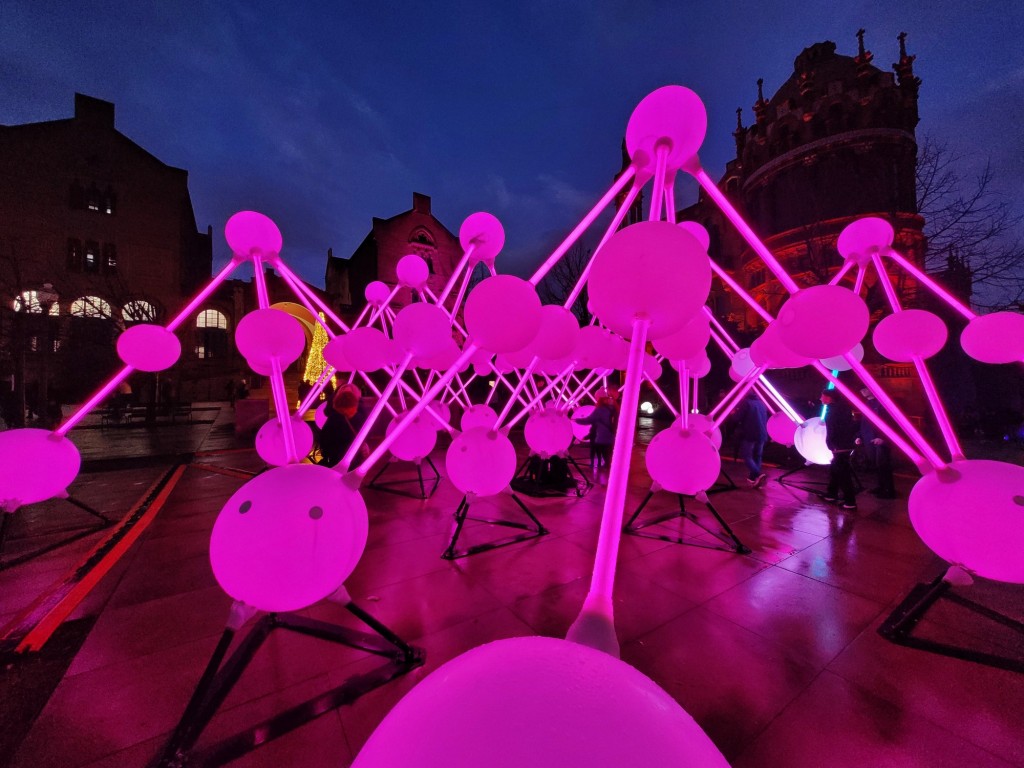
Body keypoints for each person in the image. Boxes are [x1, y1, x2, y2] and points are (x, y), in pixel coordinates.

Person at [820, 386, 858, 510]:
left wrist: (831, 444)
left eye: (822, 396)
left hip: (839, 446)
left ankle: (850, 502)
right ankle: (831, 494)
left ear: (829, 398)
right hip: (845, 444)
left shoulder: (834, 411)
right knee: (836, 470)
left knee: (842, 473)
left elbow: (832, 430)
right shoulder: (843, 408)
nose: (820, 399)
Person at [857, 388, 896, 499]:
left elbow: (889, 421)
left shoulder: (882, 403)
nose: (862, 392)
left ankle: (888, 490)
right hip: (869, 438)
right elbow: (864, 422)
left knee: (883, 465)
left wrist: (883, 437)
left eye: (864, 389)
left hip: (879, 439)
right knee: (877, 465)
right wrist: (860, 435)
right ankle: (881, 487)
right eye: (861, 390)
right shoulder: (868, 403)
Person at [318, 383, 368, 468]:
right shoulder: (334, 417)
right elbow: (325, 437)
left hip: (349, 455)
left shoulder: (359, 416)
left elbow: (324, 438)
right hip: (342, 455)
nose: (346, 397)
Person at [573, 395, 616, 484]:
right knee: (608, 452)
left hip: (602, 436)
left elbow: (588, 420)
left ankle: (608, 469)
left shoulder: (600, 410)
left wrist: (576, 420)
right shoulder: (613, 409)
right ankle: (610, 467)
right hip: (611, 434)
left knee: (602, 451)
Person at [735, 390, 768, 487]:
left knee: (747, 456)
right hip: (762, 433)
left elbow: (737, 418)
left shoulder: (746, 403)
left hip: (750, 433)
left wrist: (734, 413)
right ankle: (755, 479)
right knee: (757, 456)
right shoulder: (762, 403)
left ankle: (758, 474)